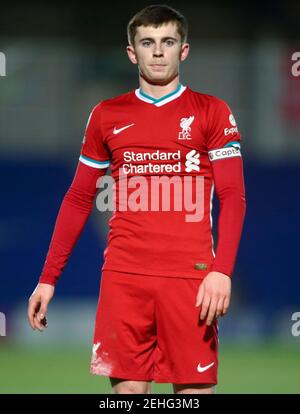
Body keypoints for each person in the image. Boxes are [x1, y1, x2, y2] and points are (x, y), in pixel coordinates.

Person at [27, 4, 246, 394]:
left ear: (184, 49)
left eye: (167, 42)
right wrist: (48, 279)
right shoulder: (106, 115)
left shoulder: (212, 112)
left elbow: (233, 196)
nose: (158, 52)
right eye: (148, 42)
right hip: (125, 280)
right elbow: (79, 198)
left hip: (191, 281)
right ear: (132, 52)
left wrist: (221, 270)